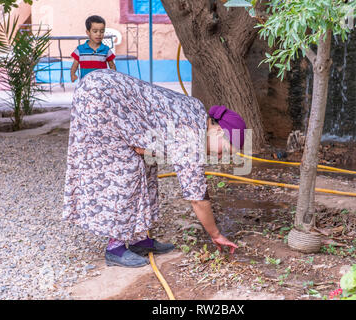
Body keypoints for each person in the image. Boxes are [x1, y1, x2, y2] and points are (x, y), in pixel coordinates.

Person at [63, 69, 247, 268]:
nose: (219, 157)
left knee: (146, 167)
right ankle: (114, 247)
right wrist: (216, 234)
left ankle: (138, 239)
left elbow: (156, 132)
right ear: (219, 131)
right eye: (224, 151)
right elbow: (197, 198)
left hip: (105, 90)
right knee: (124, 172)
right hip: (100, 96)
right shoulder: (192, 136)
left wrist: (143, 146)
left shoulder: (197, 113)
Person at [70, 15, 116, 83]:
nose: (99, 34)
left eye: (102, 31)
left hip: (102, 83)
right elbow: (75, 65)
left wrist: (114, 77)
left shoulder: (106, 50)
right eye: (95, 31)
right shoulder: (80, 49)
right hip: (85, 83)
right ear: (88, 32)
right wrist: (72, 74)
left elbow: (112, 65)